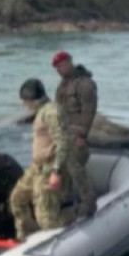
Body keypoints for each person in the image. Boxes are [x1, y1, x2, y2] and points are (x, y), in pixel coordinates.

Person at [8, 79, 76, 239]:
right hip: (37, 167)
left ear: (31, 99)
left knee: (47, 220)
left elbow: (63, 141)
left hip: (50, 167)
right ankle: (27, 235)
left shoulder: (51, 112)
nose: (24, 104)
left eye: (25, 100)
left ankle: (76, 212)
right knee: (17, 199)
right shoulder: (41, 112)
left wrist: (56, 171)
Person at [52, 50, 98, 218]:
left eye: (62, 65)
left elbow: (89, 111)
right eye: (57, 67)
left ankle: (89, 202)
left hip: (77, 134)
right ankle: (65, 201)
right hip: (64, 134)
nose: (60, 69)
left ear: (70, 61)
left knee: (75, 168)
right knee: (62, 169)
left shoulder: (85, 84)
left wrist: (82, 135)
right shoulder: (62, 86)